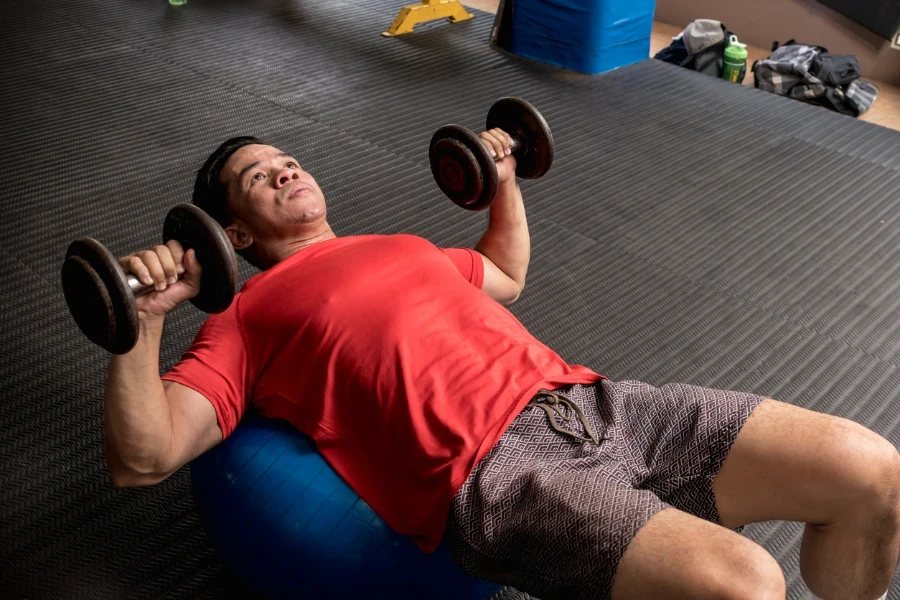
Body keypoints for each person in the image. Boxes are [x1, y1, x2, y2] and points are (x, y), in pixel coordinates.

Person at [103, 131, 900, 600]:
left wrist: (503, 184)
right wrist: (140, 320)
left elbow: (505, 274)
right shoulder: (248, 317)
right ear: (234, 235)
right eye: (257, 177)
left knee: (872, 472)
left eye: (286, 159)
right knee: (746, 587)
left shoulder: (403, 246)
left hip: (600, 403)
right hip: (496, 475)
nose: (285, 170)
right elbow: (145, 458)